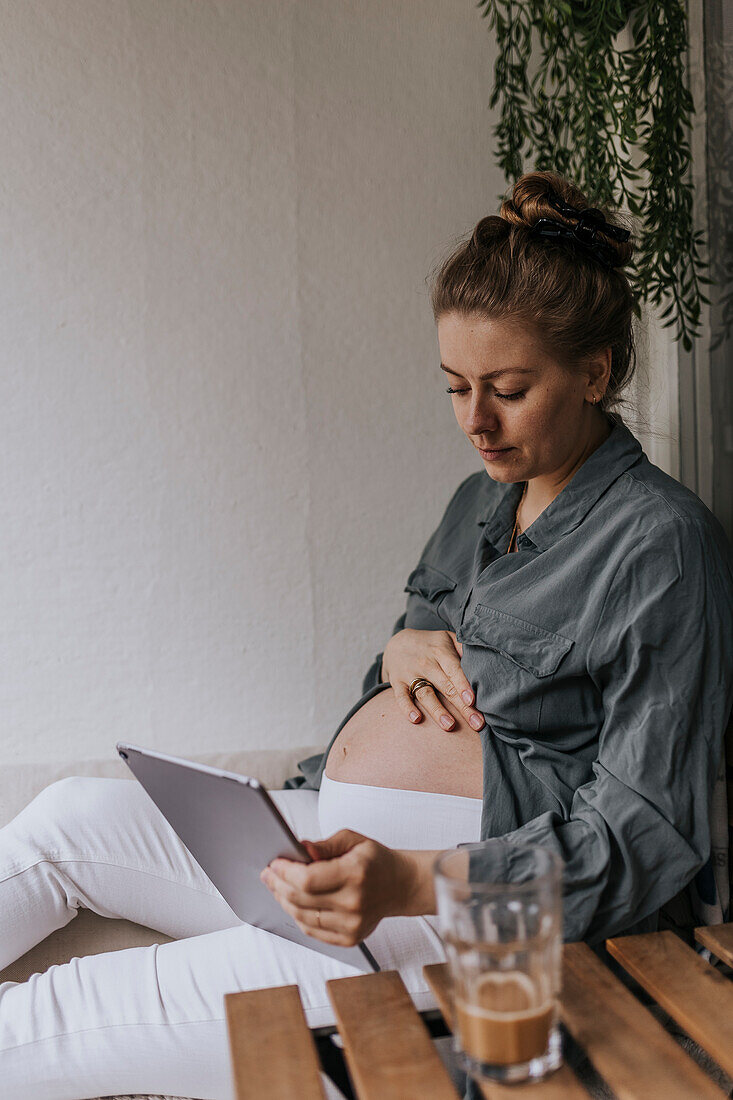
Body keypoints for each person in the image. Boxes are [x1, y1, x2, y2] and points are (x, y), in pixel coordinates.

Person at [1, 171, 731, 1100]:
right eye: (456, 386)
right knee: (64, 816)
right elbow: (412, 665)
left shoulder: (660, 545)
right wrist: (394, 654)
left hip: (455, 910)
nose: (474, 421)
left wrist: (411, 885)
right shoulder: (482, 501)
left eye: (507, 389)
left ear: (594, 372)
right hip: (341, 833)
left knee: (42, 1020)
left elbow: (642, 839)